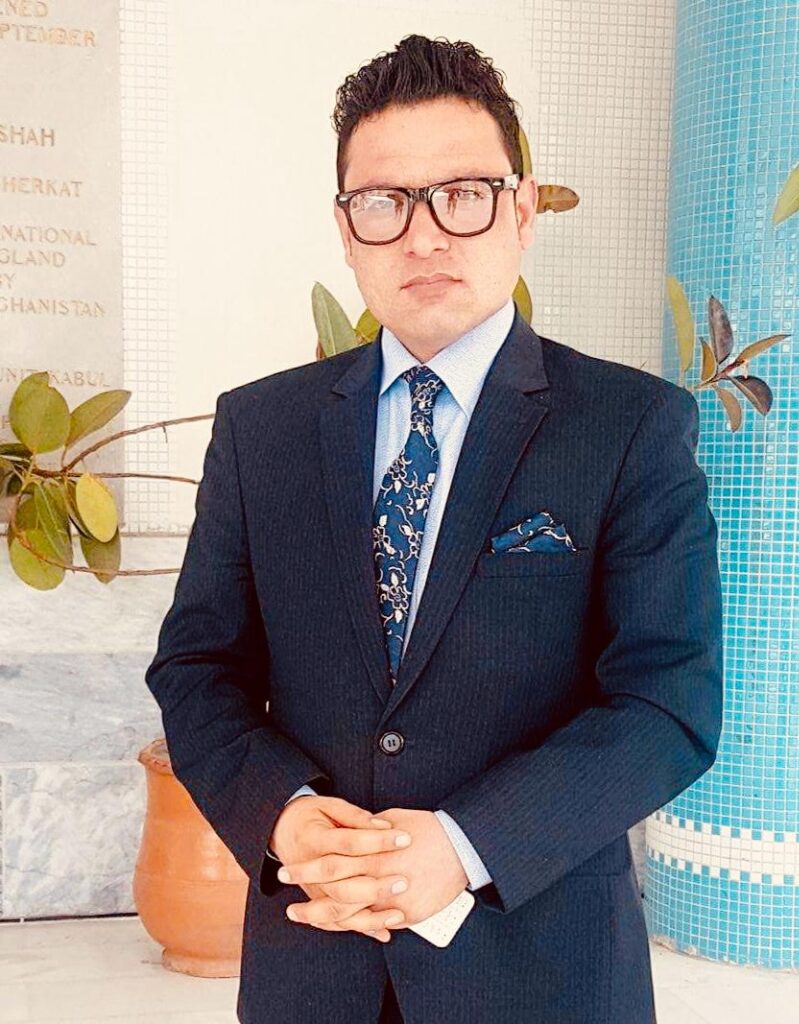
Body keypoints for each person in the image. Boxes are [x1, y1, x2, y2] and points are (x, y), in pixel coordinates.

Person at [144, 33, 723, 1024]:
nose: (424, 237)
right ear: (345, 228)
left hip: (538, 970)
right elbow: (198, 669)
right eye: (385, 202)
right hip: (313, 963)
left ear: (522, 209)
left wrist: (463, 844)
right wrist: (283, 816)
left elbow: (666, 703)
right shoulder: (261, 429)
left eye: (463, 194)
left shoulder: (629, 425)